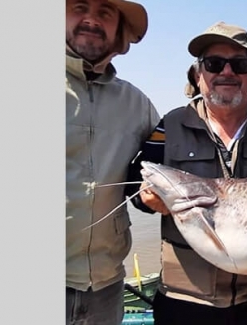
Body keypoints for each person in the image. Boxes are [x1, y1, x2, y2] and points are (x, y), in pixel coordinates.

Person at [124, 21, 247, 325]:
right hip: (184, 302)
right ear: (199, 74)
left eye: (240, 64)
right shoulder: (169, 127)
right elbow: (135, 186)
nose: (227, 72)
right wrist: (149, 198)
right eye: (214, 63)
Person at [66, 0, 160, 324]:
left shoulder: (138, 105)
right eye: (79, 7)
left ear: (119, 30)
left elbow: (172, 168)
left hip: (106, 289)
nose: (91, 19)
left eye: (105, 12)